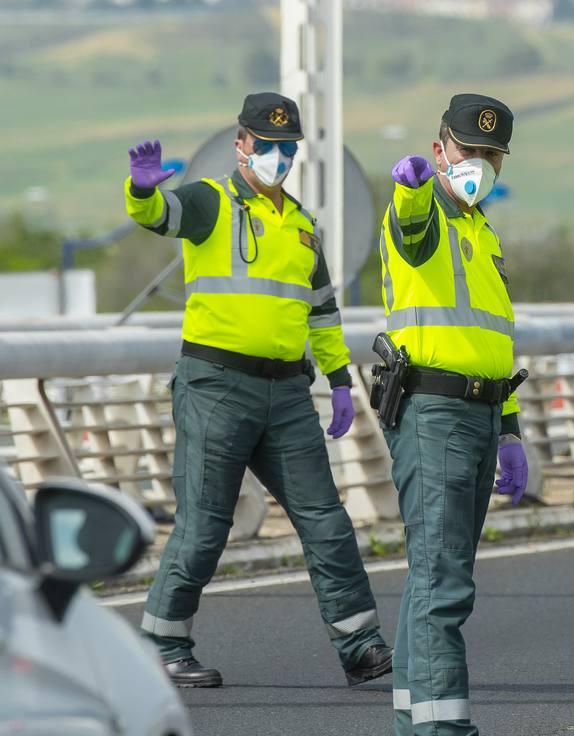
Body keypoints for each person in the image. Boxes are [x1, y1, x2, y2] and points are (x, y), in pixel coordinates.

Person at [124, 92, 392, 689]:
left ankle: (361, 644)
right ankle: (163, 645)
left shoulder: (301, 226)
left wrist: (342, 379)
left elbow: (321, 312)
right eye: (264, 144)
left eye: (285, 147)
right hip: (216, 385)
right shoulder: (209, 202)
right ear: (241, 143)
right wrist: (142, 190)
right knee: (205, 523)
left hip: (287, 394)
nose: (275, 155)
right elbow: (158, 216)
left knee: (325, 518)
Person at [375, 94, 530, 736]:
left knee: (429, 579)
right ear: (440, 150)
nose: (479, 165)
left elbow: (495, 339)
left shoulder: (482, 229)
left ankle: (414, 730)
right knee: (443, 581)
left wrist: (512, 428)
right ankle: (447, 735)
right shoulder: (425, 209)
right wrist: (410, 190)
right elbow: (409, 231)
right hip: (434, 411)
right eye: (467, 152)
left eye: (491, 156)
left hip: (477, 411)